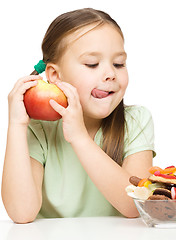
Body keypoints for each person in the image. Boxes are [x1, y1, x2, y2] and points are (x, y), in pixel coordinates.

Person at [1, 8, 155, 223]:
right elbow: (21, 213)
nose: (110, 74)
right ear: (54, 75)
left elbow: (136, 205)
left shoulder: (136, 121)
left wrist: (80, 138)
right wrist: (17, 125)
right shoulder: (39, 129)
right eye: (92, 64)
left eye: (118, 63)